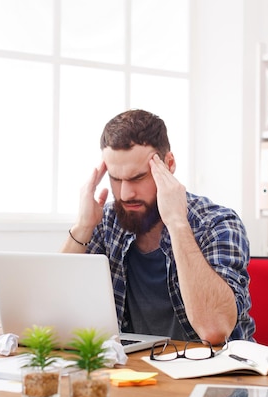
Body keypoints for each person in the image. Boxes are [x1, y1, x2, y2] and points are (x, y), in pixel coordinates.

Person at [62, 109, 254, 345]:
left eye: (137, 177)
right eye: (115, 178)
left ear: (169, 164)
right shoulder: (107, 221)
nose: (125, 193)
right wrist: (83, 226)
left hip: (210, 370)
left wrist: (177, 223)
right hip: (133, 369)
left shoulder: (218, 224)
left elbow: (214, 330)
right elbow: (49, 314)